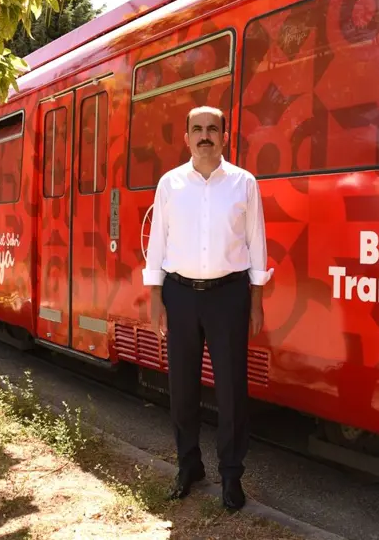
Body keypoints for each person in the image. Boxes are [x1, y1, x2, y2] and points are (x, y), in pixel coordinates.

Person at [142, 105, 272, 511]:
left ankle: (231, 476)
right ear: (186, 138)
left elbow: (256, 243)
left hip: (229, 295)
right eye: (196, 129)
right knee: (181, 388)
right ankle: (189, 466)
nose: (204, 136)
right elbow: (157, 244)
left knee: (232, 389)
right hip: (179, 295)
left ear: (224, 136)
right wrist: (154, 297)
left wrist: (256, 302)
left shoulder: (243, 183)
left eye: (211, 129)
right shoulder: (169, 184)